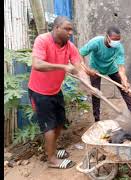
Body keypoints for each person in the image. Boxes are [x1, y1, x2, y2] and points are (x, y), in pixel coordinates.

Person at [28, 16, 89, 169]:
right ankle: (51, 160)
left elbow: (78, 67)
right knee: (49, 126)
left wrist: (89, 85)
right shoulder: (42, 40)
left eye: (71, 30)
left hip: (55, 90)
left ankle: (52, 150)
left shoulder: (70, 46)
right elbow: (37, 64)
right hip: (39, 91)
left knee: (60, 123)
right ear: (56, 28)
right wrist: (62, 67)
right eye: (67, 29)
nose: (70, 33)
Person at [79, 26, 131, 122]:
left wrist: (124, 80)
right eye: (114, 40)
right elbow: (81, 54)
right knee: (96, 93)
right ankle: (97, 120)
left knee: (125, 89)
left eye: (118, 40)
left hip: (111, 67)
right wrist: (86, 70)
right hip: (95, 69)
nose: (116, 42)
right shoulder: (96, 42)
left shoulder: (118, 47)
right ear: (107, 36)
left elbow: (121, 68)